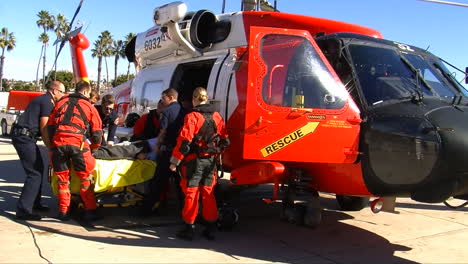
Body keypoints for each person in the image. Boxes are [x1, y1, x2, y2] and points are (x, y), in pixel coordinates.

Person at [170, 87, 229, 241]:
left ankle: (189, 227)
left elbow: (184, 142)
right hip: (211, 162)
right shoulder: (217, 116)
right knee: (209, 194)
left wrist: (174, 161)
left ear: (195, 99)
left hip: (193, 162)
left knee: (191, 194)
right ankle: (210, 227)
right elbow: (225, 140)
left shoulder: (192, 116)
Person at [47, 81, 103, 221]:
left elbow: (50, 126)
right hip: (78, 144)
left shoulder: (60, 103)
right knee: (85, 179)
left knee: (62, 181)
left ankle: (63, 211)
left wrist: (53, 145)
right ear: (85, 92)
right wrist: (94, 148)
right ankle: (90, 210)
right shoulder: (89, 107)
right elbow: (97, 133)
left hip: (59, 145)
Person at [12, 81, 66, 220]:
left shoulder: (42, 99)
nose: (63, 95)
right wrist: (50, 146)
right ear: (54, 91)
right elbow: (44, 126)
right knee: (34, 173)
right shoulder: (47, 102)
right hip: (24, 137)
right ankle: (24, 210)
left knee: (38, 169)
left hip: (24, 136)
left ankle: (35, 203)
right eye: (62, 92)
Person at [141, 88, 185, 216]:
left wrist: (157, 147)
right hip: (180, 152)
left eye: (163, 97)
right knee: (180, 183)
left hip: (168, 151)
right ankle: (183, 210)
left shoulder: (166, 112)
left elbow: (162, 132)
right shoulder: (184, 111)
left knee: (158, 182)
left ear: (170, 97)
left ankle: (146, 210)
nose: (162, 100)